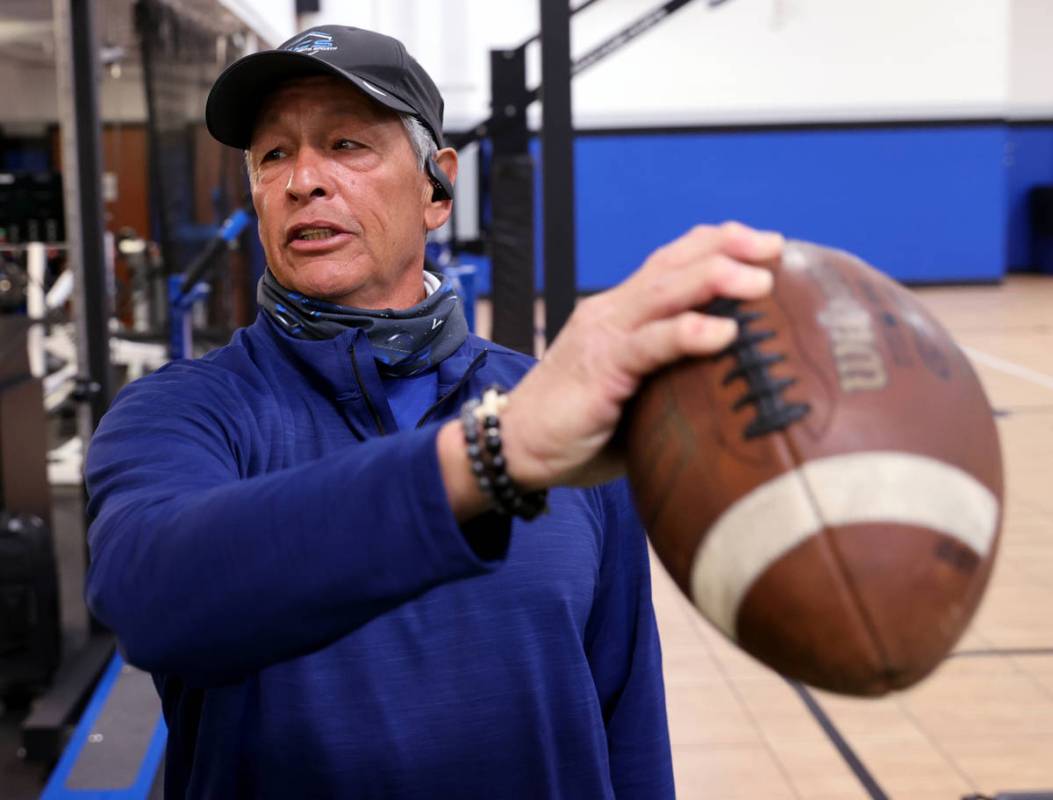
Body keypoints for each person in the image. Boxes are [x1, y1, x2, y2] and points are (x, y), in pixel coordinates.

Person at [84, 24, 781, 800]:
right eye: (273, 154)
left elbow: (626, 717)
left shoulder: (562, 425)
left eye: (346, 144)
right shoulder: (184, 413)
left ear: (437, 189)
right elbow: (153, 597)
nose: (302, 180)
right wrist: (488, 460)